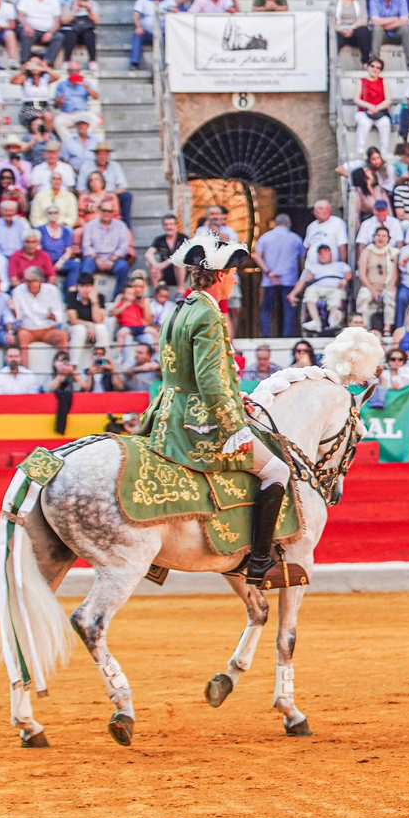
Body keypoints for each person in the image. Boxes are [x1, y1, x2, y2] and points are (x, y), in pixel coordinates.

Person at [134, 229, 289, 588]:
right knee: (276, 471)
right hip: (196, 423)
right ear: (220, 276)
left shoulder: (179, 308)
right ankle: (260, 561)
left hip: (165, 415)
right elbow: (209, 381)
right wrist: (234, 426)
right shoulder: (208, 315)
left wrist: (238, 398)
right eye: (233, 275)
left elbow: (186, 372)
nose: (235, 281)